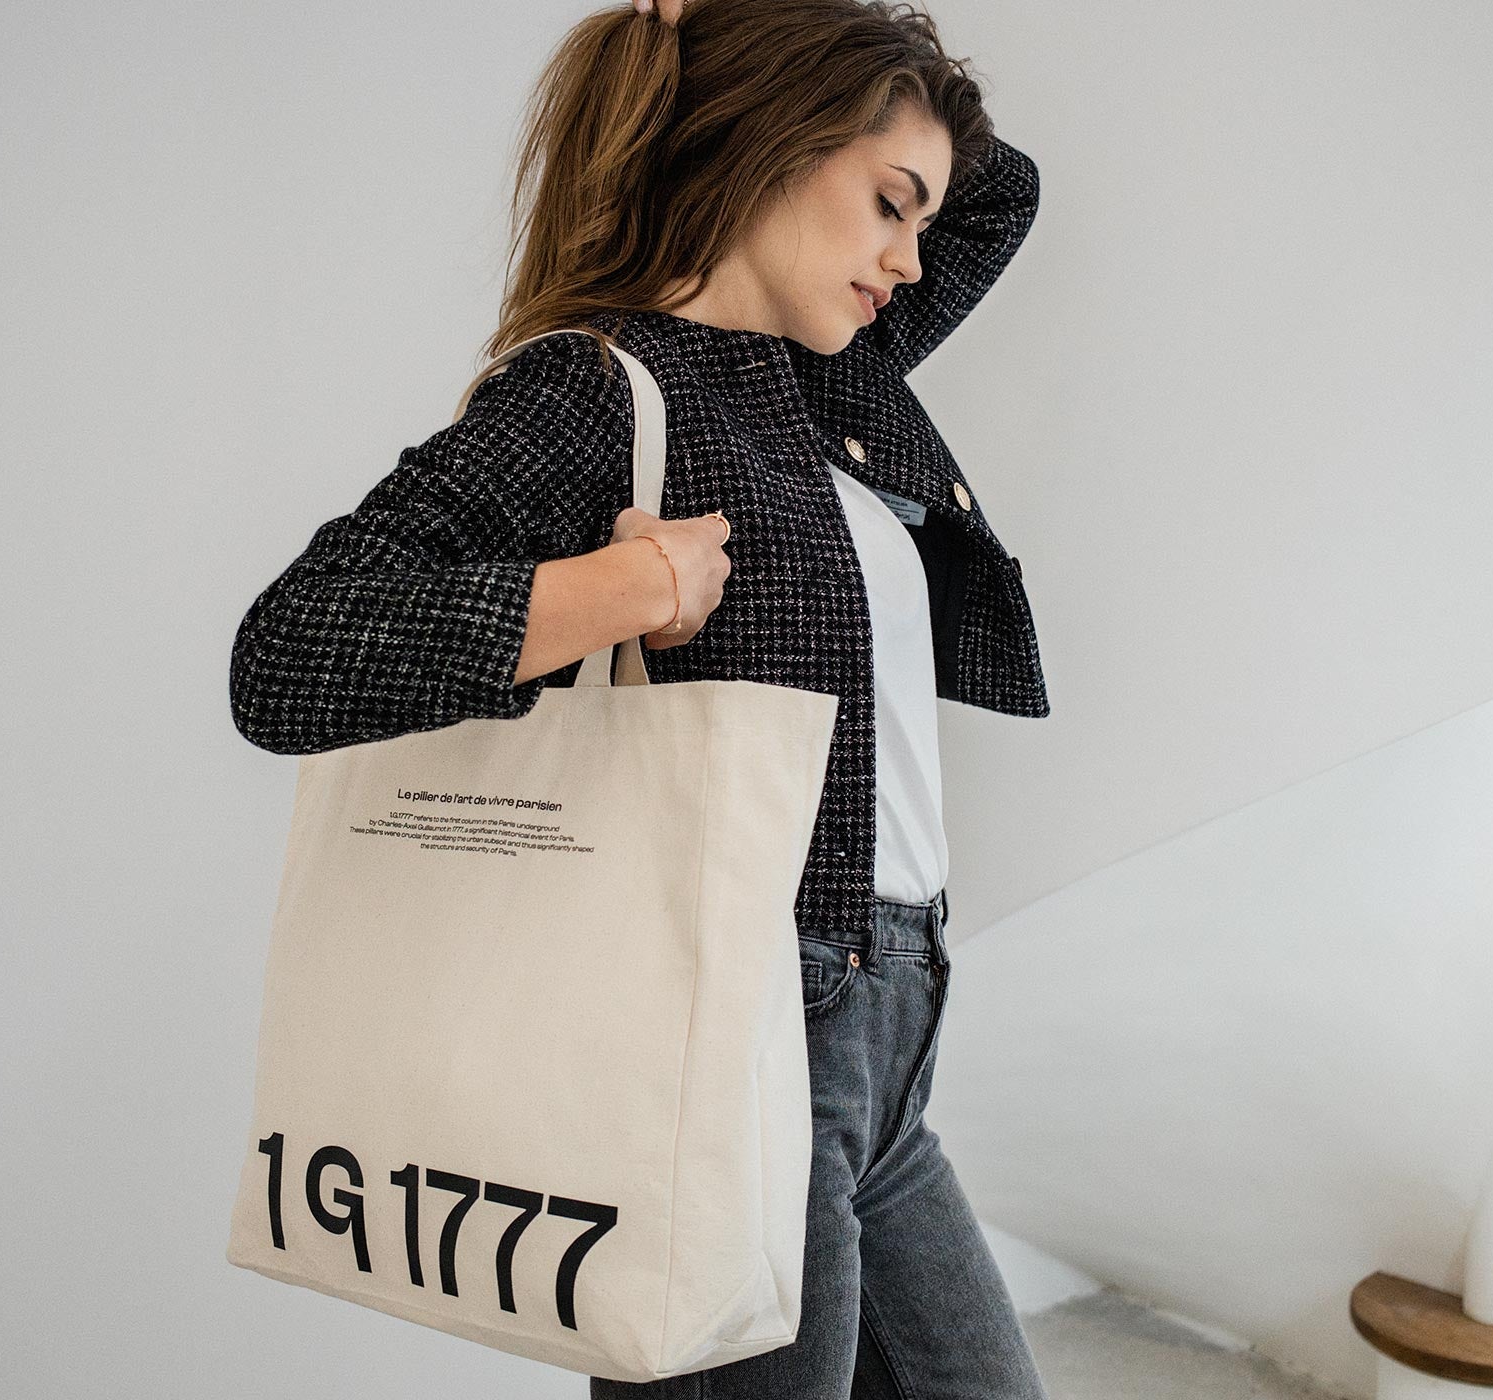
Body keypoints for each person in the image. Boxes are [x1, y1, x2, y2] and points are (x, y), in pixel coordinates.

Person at [228, 0, 1051, 1393]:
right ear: (778, 149)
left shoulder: (834, 375)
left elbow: (1002, 194)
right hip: (741, 1036)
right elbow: (289, 653)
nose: (912, 261)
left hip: (893, 1033)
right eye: (887, 207)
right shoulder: (598, 390)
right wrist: (615, 596)